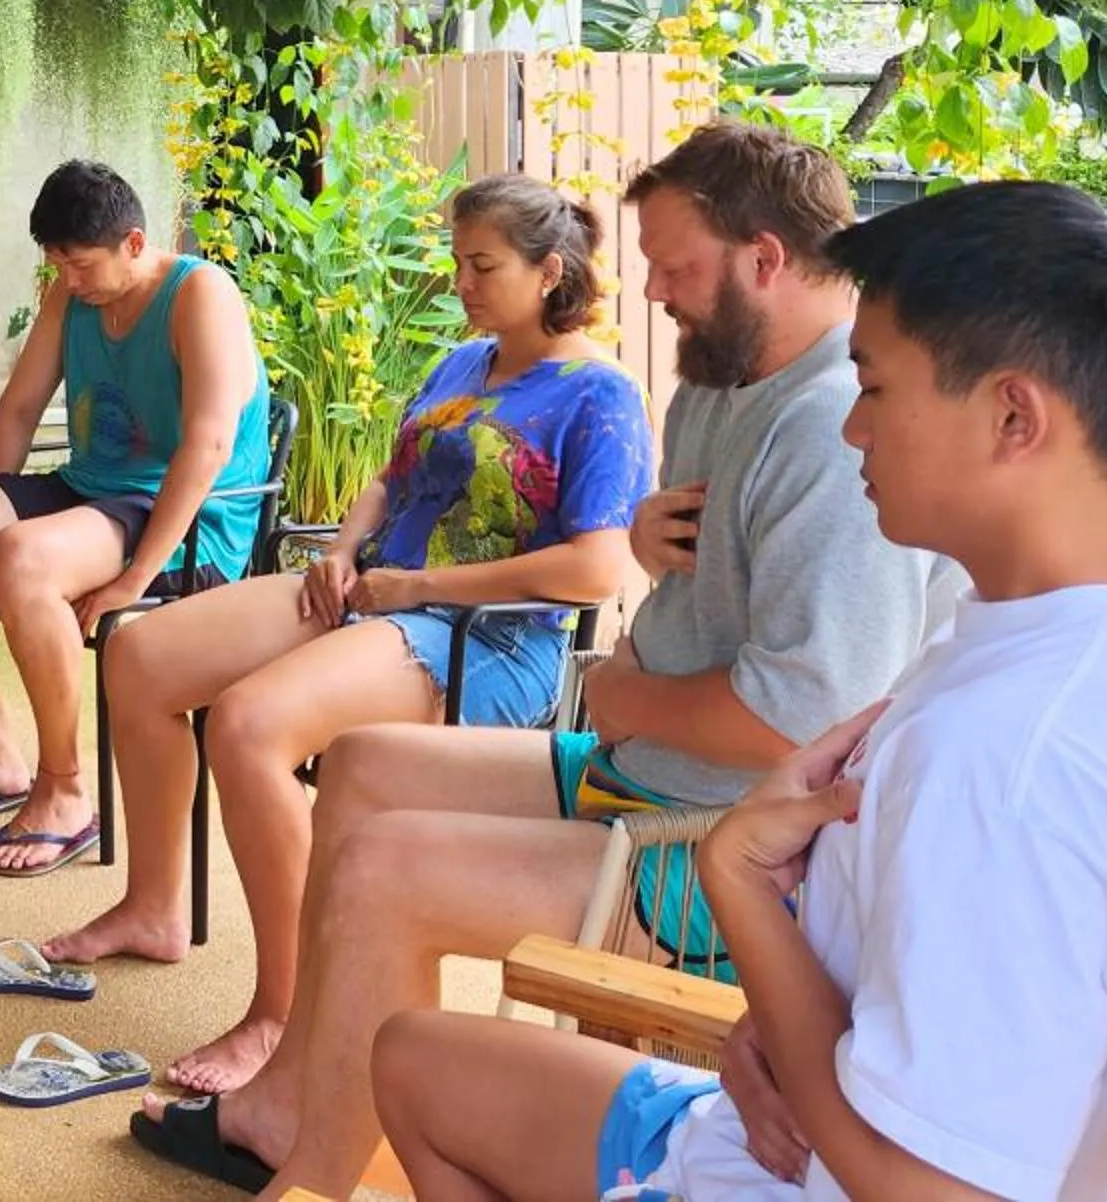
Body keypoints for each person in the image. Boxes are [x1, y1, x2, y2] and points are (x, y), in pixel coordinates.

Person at [376, 180, 1107, 1201]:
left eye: (874, 389)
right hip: (791, 1112)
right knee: (415, 1060)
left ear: (1014, 415)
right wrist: (786, 1023)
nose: (852, 431)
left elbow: (926, 1191)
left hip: (795, 1174)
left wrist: (739, 886)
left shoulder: (1012, 760)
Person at [132, 122, 963, 1197]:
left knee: (387, 870)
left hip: (731, 846)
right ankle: (296, 1092)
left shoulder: (825, 432)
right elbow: (687, 578)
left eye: (677, 265)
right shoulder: (717, 381)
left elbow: (794, 724)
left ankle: (315, 1177)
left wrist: (619, 692)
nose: (653, 289)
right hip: (648, 768)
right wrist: (652, 543)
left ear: (766, 258)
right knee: (365, 768)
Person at [46, 175, 648, 1091]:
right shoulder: (464, 364)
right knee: (141, 653)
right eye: (458, 263)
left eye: (482, 266)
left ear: (549, 271)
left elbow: (596, 571)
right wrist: (345, 549)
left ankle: (287, 1013)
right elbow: (390, 477)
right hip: (374, 595)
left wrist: (418, 584)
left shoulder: (597, 395)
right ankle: (155, 906)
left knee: (247, 726)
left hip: (480, 639)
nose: (461, 284)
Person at [0, 159, 276, 874]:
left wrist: (138, 575)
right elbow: (18, 407)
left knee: (21, 558)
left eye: (80, 264)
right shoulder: (67, 297)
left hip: (185, 515)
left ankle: (66, 792)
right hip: (88, 488)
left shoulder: (201, 295)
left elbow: (211, 442)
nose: (69, 281)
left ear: (134, 243)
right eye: (56, 264)